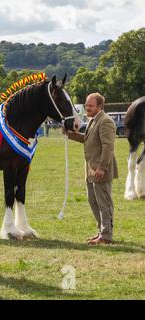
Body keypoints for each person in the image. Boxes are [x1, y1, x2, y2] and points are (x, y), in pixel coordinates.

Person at [67, 93, 118, 244]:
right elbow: (86, 138)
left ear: (100, 107)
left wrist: (102, 167)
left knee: (104, 203)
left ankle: (106, 236)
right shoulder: (93, 120)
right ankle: (102, 232)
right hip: (90, 170)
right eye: (86, 105)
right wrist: (69, 134)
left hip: (100, 170)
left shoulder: (105, 122)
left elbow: (108, 147)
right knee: (93, 201)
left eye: (90, 106)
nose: (87, 108)